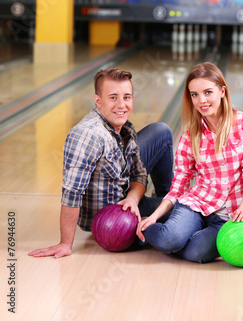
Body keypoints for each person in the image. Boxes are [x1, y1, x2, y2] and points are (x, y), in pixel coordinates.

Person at [29, 68, 174, 258]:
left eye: (127, 97)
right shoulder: (87, 135)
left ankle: (166, 197)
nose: (121, 104)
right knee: (186, 211)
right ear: (98, 101)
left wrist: (132, 198)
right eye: (113, 97)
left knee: (160, 131)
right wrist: (65, 243)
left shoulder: (125, 128)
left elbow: (139, 175)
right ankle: (164, 210)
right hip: (110, 217)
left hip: (126, 198)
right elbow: (72, 193)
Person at [136, 62, 243, 264]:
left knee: (195, 253)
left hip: (229, 218)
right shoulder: (190, 137)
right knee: (171, 239)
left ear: (222, 91)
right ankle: (146, 228)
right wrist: (154, 216)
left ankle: (172, 233)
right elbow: (178, 186)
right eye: (194, 94)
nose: (201, 100)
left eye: (208, 92)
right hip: (196, 204)